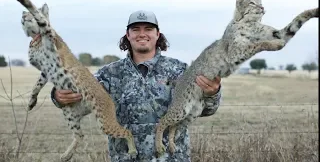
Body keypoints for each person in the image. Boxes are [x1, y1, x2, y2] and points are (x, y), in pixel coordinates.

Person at [50, 10, 222, 162]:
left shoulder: (181, 71)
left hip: (172, 158)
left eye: (148, 29)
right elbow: (82, 96)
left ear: (157, 34)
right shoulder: (109, 74)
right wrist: (59, 96)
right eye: (135, 29)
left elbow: (206, 110)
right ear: (128, 35)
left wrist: (212, 93)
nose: (142, 34)